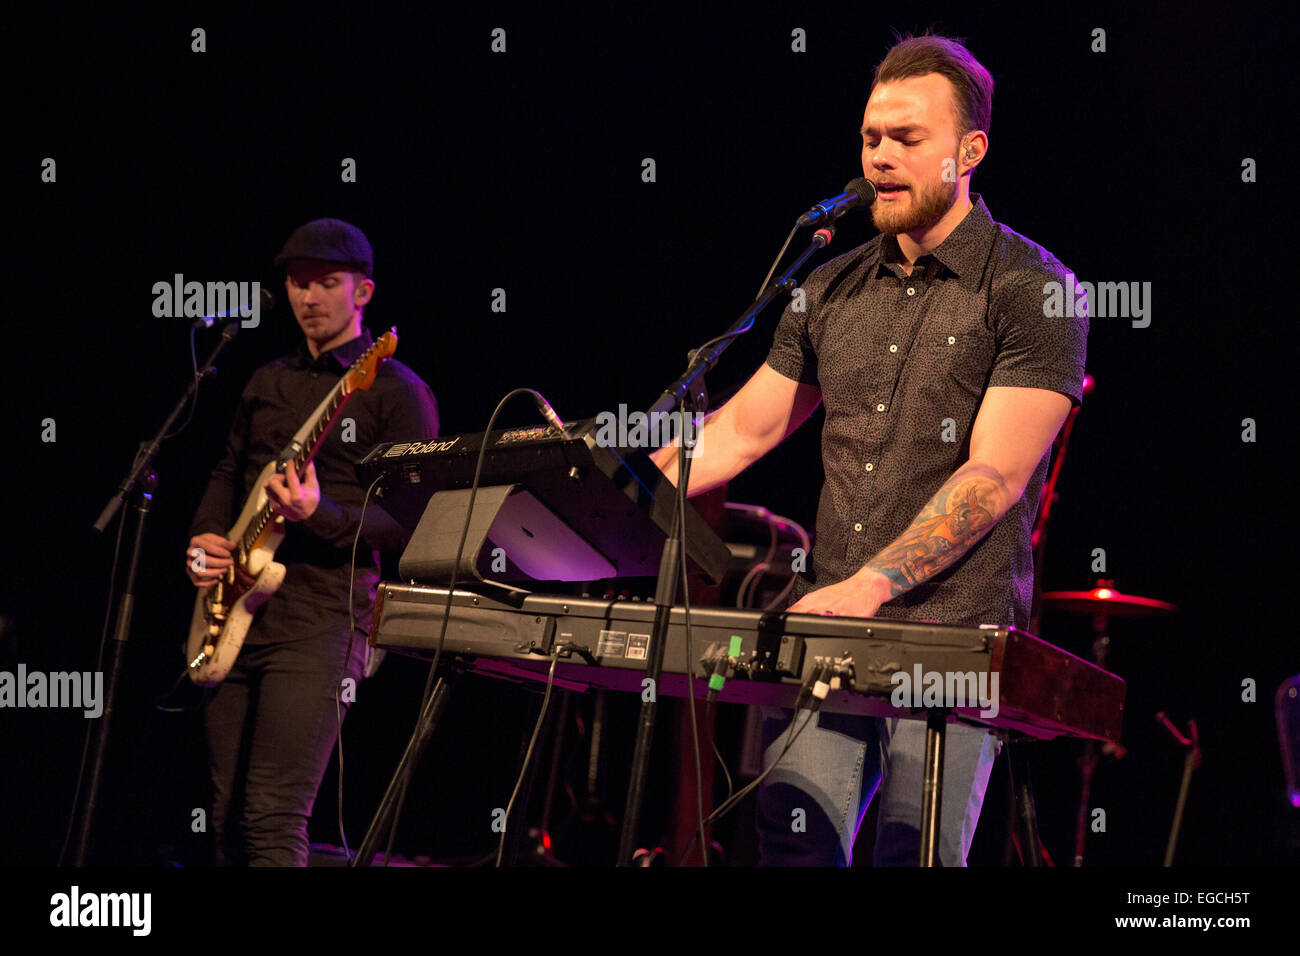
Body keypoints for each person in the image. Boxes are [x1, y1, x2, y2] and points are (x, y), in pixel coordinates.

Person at [651, 35, 1087, 865]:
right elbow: (743, 431)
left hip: (950, 640)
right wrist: (607, 485)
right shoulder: (826, 285)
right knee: (792, 843)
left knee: (912, 851)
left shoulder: (1038, 292)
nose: (880, 156)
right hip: (829, 628)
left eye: (906, 139)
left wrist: (874, 584)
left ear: (970, 150)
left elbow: (993, 476)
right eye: (870, 137)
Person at [185, 218, 440, 865]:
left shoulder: (397, 392)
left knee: (272, 815)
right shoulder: (265, 380)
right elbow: (228, 469)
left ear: (364, 292)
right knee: (221, 819)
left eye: (327, 282)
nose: (308, 296)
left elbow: (411, 527)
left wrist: (316, 510)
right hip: (235, 605)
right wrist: (204, 542)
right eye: (298, 282)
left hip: (325, 617)